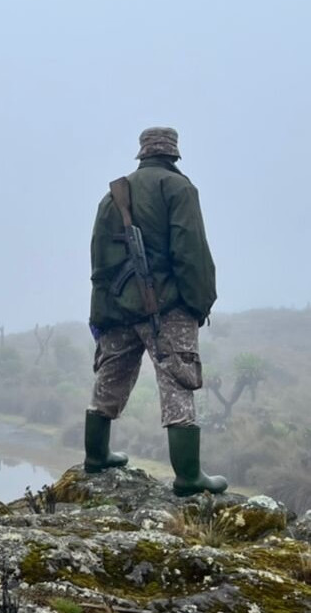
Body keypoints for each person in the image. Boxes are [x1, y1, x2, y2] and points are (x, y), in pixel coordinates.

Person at [84, 127, 227, 496]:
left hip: (116, 309)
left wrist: (100, 313)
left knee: (110, 378)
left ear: (142, 154)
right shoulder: (179, 189)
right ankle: (189, 478)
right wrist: (199, 304)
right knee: (178, 382)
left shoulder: (111, 197)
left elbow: (99, 263)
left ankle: (96, 457)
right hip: (166, 309)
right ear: (173, 154)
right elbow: (191, 253)